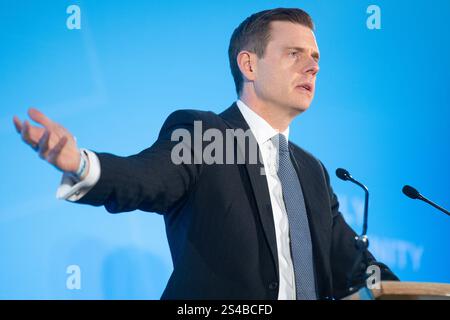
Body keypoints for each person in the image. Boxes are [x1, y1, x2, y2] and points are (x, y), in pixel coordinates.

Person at [13, 8, 398, 300]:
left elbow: (352, 265)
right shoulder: (204, 133)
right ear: (249, 64)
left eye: (315, 57)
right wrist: (81, 163)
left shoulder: (312, 170)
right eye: (294, 54)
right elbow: (145, 177)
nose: (312, 66)